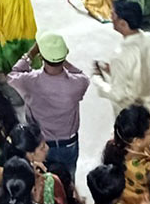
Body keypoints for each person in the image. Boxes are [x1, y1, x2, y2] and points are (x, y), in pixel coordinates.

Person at [8, 33, 89, 177]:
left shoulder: (29, 81)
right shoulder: (78, 84)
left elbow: (13, 74)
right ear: (65, 56)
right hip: (69, 144)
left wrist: (31, 54)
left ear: (41, 58)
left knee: (43, 183)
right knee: (67, 181)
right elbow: (82, 75)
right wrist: (62, 60)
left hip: (40, 146)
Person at [93, 0, 150, 117]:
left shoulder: (120, 55)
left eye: (114, 15)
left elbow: (118, 95)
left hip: (132, 119)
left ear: (123, 23)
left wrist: (98, 79)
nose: (111, 18)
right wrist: (115, 71)